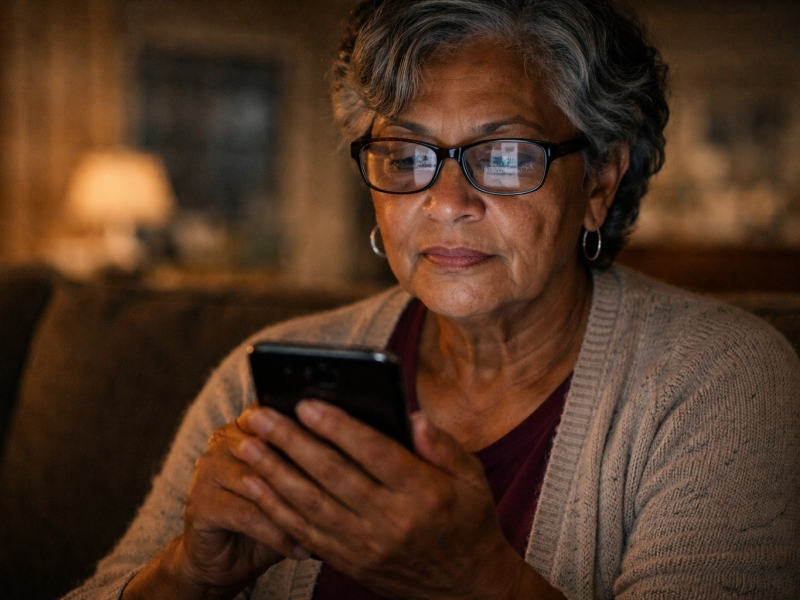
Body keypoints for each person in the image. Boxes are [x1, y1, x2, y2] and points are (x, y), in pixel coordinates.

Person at [65, 0, 800, 598]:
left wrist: (474, 580)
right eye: (407, 156)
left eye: (506, 155)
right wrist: (185, 577)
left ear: (600, 181)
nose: (446, 202)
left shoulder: (723, 384)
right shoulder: (260, 380)